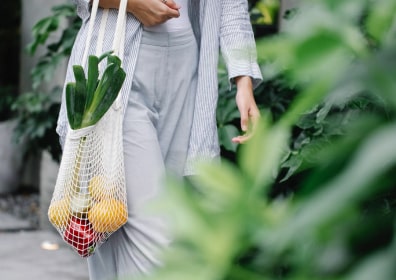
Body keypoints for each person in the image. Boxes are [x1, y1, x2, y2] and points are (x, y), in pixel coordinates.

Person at [56, 0, 262, 279]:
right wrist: (131, 4)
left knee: (112, 223)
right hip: (118, 65)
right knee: (155, 235)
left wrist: (243, 79)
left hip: (185, 68)